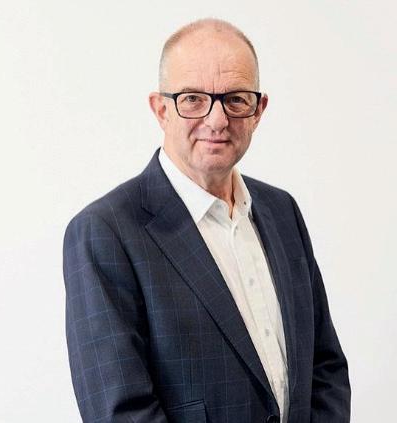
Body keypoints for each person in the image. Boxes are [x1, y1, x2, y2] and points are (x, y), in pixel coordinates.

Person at [62, 18, 350, 423]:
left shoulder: (282, 211)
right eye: (193, 99)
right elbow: (121, 412)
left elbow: (326, 367)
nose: (217, 120)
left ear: (258, 110)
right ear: (161, 109)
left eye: (236, 99)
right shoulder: (105, 232)